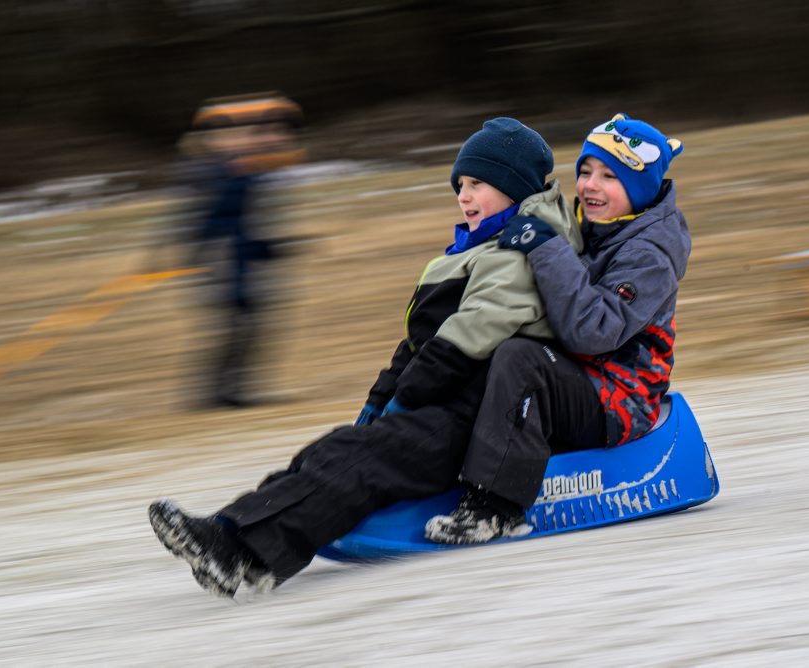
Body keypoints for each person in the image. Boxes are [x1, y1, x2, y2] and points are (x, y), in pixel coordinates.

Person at [148, 118, 582, 598]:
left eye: (477, 184)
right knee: (336, 447)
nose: (463, 196)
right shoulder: (478, 247)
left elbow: (476, 328)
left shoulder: (522, 250)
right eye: (460, 185)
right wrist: (383, 396)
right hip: (446, 402)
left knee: (361, 461)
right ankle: (234, 535)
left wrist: (412, 392)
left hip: (478, 418)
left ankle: (239, 551)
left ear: (513, 187)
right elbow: (421, 341)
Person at [425, 114, 688, 544]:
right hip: (582, 374)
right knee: (497, 345)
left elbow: (594, 330)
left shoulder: (650, 254)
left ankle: (495, 509)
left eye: (610, 176)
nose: (590, 185)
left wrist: (547, 248)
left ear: (639, 189)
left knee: (521, 359)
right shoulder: (594, 226)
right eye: (585, 171)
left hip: (619, 394)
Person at [180, 93, 306, 408]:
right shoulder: (235, 175)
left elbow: (243, 226)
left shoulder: (248, 174)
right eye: (275, 132)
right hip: (226, 265)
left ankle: (223, 391)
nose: (282, 139)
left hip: (236, 262)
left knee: (246, 328)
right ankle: (218, 394)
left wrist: (273, 248)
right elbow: (221, 224)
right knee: (241, 327)